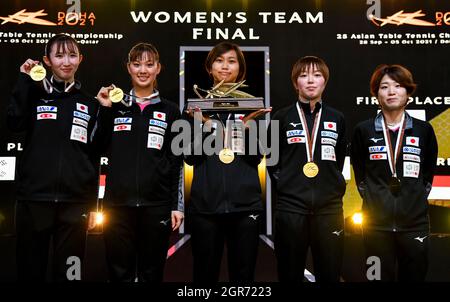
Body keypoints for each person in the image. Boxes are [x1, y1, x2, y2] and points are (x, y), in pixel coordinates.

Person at [7, 33, 110, 281]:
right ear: (47, 60)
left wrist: (105, 112)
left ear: (80, 59)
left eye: (72, 55)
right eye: (59, 55)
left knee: (69, 276)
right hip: (34, 201)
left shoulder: (90, 103)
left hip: (75, 205)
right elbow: (13, 123)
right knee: (29, 274)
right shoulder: (33, 96)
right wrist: (23, 80)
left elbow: (99, 149)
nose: (66, 61)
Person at [96, 42, 183, 282]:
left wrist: (177, 205)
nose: (142, 70)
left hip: (157, 206)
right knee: (118, 273)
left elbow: (176, 161)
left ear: (158, 68)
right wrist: (104, 109)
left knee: (152, 274)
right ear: (128, 68)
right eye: (136, 64)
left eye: (149, 64)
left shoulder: (172, 111)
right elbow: (97, 146)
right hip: (117, 206)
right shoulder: (113, 106)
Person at [184, 41, 270, 282]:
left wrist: (243, 127)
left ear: (240, 69)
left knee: (243, 277)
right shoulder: (194, 109)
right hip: (205, 207)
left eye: (231, 61)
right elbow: (189, 157)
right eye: (219, 61)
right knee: (204, 276)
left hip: (245, 208)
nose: (225, 66)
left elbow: (257, 156)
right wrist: (207, 127)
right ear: (210, 67)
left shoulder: (253, 107)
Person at [350, 64, 438, 281]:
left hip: (414, 225)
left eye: (398, 86)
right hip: (375, 226)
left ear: (408, 92)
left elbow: (427, 174)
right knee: (377, 278)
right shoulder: (364, 130)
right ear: (376, 93)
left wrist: (413, 199)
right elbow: (360, 174)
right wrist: (375, 197)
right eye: (384, 87)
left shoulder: (423, 130)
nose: (391, 92)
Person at [268, 56, 347, 282]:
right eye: (304, 76)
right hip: (291, 209)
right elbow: (273, 161)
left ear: (325, 82)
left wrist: (328, 185)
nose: (310, 81)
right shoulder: (281, 117)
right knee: (289, 274)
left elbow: (337, 161)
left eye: (317, 75)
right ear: (295, 83)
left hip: (329, 210)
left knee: (330, 274)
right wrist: (288, 185)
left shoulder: (337, 118)